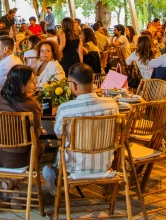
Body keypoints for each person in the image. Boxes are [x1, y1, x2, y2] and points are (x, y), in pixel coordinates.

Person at [43, 64, 118, 195]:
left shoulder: (66, 109)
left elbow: (59, 135)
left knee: (52, 160)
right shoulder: (111, 105)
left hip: (74, 165)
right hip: (104, 164)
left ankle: (56, 179)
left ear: (73, 85)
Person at [0, 65, 43, 168]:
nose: (34, 84)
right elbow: (36, 134)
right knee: (40, 145)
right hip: (16, 160)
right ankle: (18, 178)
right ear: (22, 85)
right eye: (31, 81)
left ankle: (8, 179)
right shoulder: (31, 105)